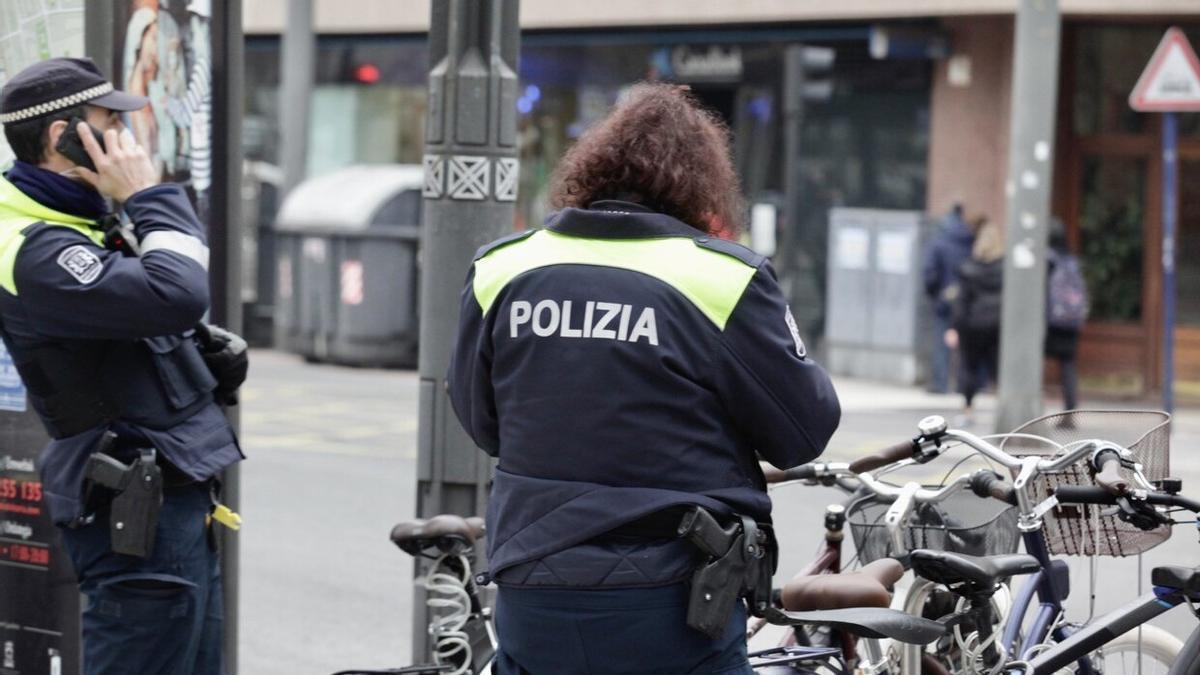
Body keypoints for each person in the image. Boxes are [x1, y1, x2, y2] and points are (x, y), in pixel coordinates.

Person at [447, 83, 841, 674]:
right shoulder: (722, 280)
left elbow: (484, 423)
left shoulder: (503, 267)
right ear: (702, 186)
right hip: (675, 601)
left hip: (532, 585)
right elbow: (802, 433)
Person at [0, 57, 244, 673]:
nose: (128, 141)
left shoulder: (81, 217)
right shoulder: (34, 246)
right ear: (62, 138)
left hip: (174, 491)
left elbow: (157, 317)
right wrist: (150, 196)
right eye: (111, 123)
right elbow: (177, 292)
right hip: (134, 507)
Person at [945, 217, 1003, 426]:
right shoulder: (1006, 269)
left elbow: (961, 302)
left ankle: (968, 411)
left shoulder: (969, 268)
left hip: (973, 325)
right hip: (998, 326)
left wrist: (954, 327)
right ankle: (1002, 410)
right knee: (998, 369)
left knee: (969, 368)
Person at [922, 204, 975, 394]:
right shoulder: (970, 241)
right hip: (966, 298)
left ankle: (941, 383)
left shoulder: (939, 241)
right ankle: (964, 385)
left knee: (941, 342)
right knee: (966, 344)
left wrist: (933, 293)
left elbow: (930, 274)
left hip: (944, 298)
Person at [1045, 218, 1088, 411]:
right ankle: (1070, 409)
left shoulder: (1047, 259)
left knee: (1037, 363)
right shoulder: (1071, 260)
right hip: (1070, 320)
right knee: (1068, 365)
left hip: (1050, 320)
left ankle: (1035, 409)